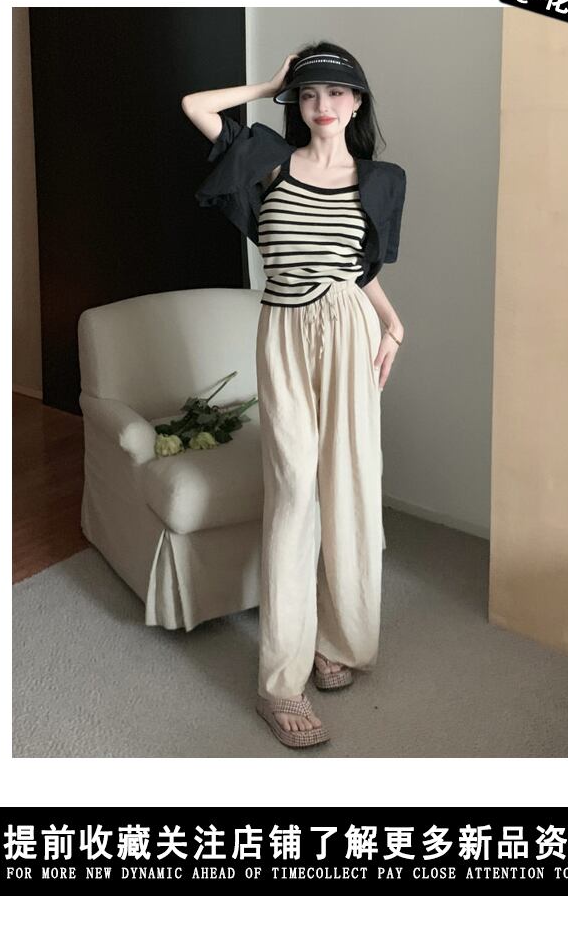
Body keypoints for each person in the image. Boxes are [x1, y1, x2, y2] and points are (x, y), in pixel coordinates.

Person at [182, 42, 407, 749]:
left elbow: (358, 267)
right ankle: (280, 683)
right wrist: (268, 83)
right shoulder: (269, 161)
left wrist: (394, 323)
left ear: (357, 103)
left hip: (349, 327)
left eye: (336, 93)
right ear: (296, 103)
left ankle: (335, 641)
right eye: (308, 94)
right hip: (284, 329)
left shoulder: (380, 180)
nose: (322, 106)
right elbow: (194, 106)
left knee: (352, 483)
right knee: (292, 493)